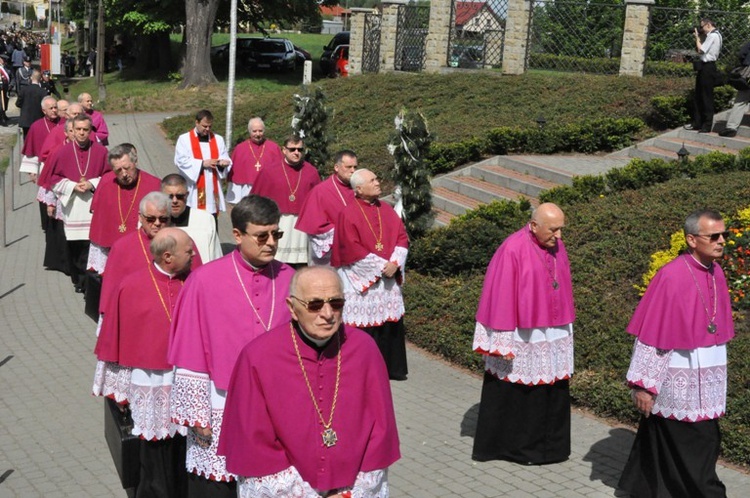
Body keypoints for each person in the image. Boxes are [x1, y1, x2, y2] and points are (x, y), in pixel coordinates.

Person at [218, 266, 401, 497]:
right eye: (315, 305)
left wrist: (349, 493)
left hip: (352, 487)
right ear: (292, 308)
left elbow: (380, 430)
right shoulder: (258, 357)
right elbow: (254, 440)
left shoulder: (364, 349)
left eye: (336, 303)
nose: (327, 313)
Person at [168, 195, 294, 497]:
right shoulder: (203, 281)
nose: (271, 243)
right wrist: (197, 415)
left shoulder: (290, 278)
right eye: (261, 236)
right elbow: (190, 350)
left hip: (276, 406)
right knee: (216, 486)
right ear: (237, 235)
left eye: (276, 234)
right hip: (219, 402)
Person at [618, 209, 734, 497]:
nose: (722, 241)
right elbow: (652, 336)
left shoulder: (716, 272)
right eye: (714, 236)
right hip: (678, 376)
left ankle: (650, 489)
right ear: (692, 240)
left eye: (724, 235)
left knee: (673, 435)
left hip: (708, 375)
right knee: (696, 440)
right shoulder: (670, 276)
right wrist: (643, 385)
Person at [93, 228, 197, 498]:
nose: (194, 254)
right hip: (151, 379)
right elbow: (116, 338)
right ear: (167, 257)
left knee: (186, 442)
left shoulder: (195, 281)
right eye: (188, 251)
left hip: (188, 376)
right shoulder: (131, 286)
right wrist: (120, 389)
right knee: (153, 449)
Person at [471, 202, 575, 465]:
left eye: (561, 229)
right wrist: (503, 339)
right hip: (523, 333)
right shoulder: (512, 248)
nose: (559, 236)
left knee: (552, 388)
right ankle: (515, 448)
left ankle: (551, 448)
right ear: (533, 225)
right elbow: (502, 294)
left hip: (552, 330)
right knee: (518, 391)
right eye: (553, 230)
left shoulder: (556, 244)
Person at [331, 169, 409, 380]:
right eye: (372, 180)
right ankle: (362, 371)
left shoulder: (386, 209)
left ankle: (391, 368)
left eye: (376, 178)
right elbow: (350, 248)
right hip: (364, 280)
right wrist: (384, 267)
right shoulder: (347, 213)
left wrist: (395, 263)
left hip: (387, 281)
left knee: (388, 324)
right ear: (359, 189)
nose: (377, 183)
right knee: (366, 328)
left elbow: (402, 237)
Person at [98, 192, 203, 322]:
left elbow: (198, 280)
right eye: (151, 219)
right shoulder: (122, 247)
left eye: (163, 219)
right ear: (140, 218)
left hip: (181, 316)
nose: (157, 223)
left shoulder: (183, 242)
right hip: (137, 317)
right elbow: (111, 290)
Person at [42, 114, 109, 292]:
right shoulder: (61, 152)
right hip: (72, 205)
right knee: (74, 245)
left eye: (85, 130)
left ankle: (89, 282)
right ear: (72, 130)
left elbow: (109, 176)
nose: (81, 133)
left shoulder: (101, 152)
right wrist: (72, 186)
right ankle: (78, 279)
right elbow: (53, 178)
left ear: (90, 130)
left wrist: (91, 183)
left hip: (92, 204)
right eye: (78, 129)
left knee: (91, 245)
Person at [87, 144, 162, 274]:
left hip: (145, 251)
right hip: (113, 251)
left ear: (135, 162)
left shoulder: (154, 184)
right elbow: (99, 219)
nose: (124, 174)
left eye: (127, 168)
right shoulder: (106, 183)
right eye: (118, 170)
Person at [251, 135, 320, 265]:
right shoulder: (270, 170)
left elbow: (318, 200)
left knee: (300, 262)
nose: (296, 153)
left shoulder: (311, 171)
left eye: (300, 150)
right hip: (278, 221)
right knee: (275, 260)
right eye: (292, 149)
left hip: (301, 224)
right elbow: (256, 198)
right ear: (284, 150)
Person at [295, 150, 358, 266]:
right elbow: (315, 226)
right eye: (348, 167)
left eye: (355, 167)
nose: (353, 171)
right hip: (330, 257)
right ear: (336, 167)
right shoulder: (320, 191)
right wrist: (345, 232)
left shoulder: (359, 189)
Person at [174, 109, 232, 219]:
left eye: (210, 126)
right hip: (194, 187)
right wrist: (202, 164)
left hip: (212, 187)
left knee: (211, 218)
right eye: (205, 126)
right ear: (196, 123)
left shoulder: (218, 139)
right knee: (196, 218)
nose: (207, 129)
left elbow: (224, 156)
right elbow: (180, 160)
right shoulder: (184, 139)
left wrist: (222, 164)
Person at [161, 173, 222, 262]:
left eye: (179, 196)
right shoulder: (153, 221)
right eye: (170, 197)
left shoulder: (205, 220)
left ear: (187, 195)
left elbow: (216, 258)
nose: (174, 201)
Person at [19, 96, 58, 231]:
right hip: (44, 168)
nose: (54, 110)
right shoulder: (36, 126)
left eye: (55, 107)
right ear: (43, 110)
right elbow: (31, 151)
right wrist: (32, 171)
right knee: (45, 198)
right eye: (51, 108)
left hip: (61, 169)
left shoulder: (63, 124)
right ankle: (47, 226)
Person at [226, 117, 282, 204]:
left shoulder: (273, 148)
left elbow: (280, 171)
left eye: (260, 131)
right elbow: (236, 175)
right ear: (249, 131)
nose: (258, 134)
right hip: (245, 190)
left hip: (267, 189)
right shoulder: (240, 148)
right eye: (254, 131)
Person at [684, 18, 722, 133]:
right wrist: (700, 38)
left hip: (708, 68)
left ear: (708, 24)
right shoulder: (715, 35)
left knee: (706, 96)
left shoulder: (713, 36)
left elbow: (700, 50)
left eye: (702, 27)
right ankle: (697, 123)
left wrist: (697, 37)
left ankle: (706, 125)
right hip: (705, 67)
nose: (701, 29)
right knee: (699, 95)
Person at [15, 69, 48, 137]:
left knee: (27, 140)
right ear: (40, 79)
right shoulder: (43, 92)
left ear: (31, 78)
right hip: (38, 119)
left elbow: (18, 103)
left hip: (26, 119)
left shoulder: (24, 90)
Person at [0, 54, 11, 126]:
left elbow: (12, 77)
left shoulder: (7, 68)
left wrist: (11, 85)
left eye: (4, 60)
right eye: (2, 59)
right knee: (1, 103)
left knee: (5, 102)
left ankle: (4, 114)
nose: (3, 61)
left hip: (6, 88)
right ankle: (1, 118)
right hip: (0, 89)